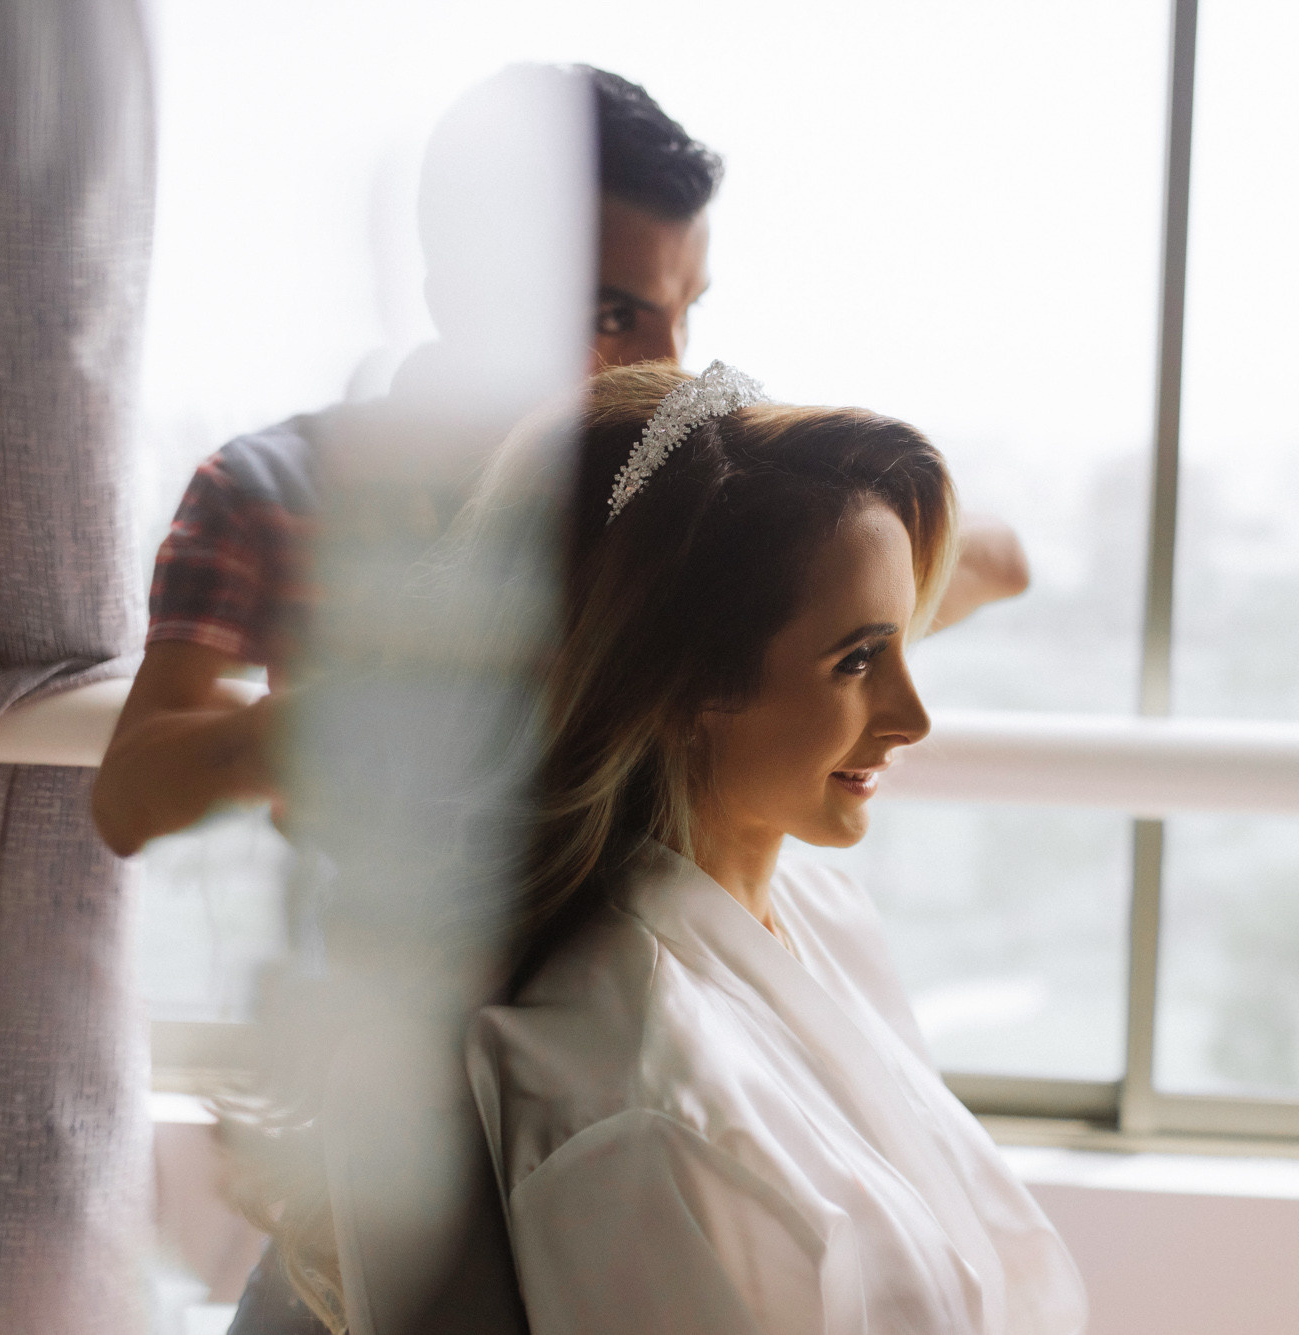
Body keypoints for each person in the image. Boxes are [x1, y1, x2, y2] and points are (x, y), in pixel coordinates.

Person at [258, 360, 1086, 1332]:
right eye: (856, 660)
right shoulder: (637, 1096)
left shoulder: (819, 916)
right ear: (683, 685)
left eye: (905, 641)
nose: (912, 716)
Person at [90, 66, 1029, 859]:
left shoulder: (697, 493)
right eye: (613, 315)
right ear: (463, 295)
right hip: (396, 1020)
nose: (671, 363)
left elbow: (1000, 559)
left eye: (685, 308)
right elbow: (129, 797)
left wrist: (797, 603)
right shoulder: (274, 492)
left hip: (661, 982)